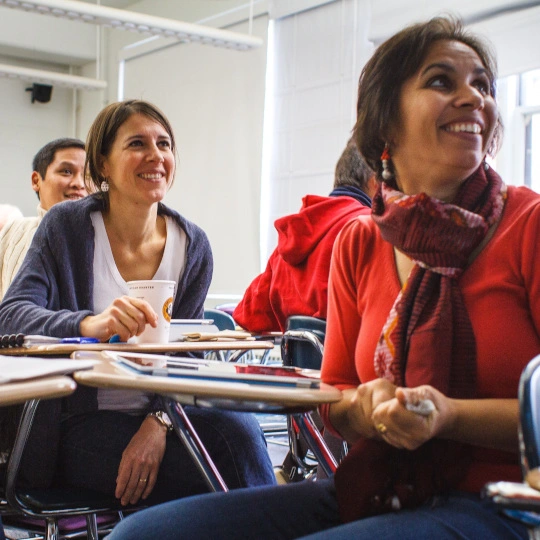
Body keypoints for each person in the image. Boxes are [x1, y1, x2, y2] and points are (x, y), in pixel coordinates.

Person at [106, 17, 539, 540]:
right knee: (142, 535)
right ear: (385, 127)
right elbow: (337, 402)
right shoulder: (359, 242)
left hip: (507, 503)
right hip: (379, 488)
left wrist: (447, 416)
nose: (474, 97)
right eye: (442, 81)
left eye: (483, 85)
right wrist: (367, 409)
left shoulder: (527, 225)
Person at [0, 100, 275, 506]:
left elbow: (183, 354)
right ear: (104, 165)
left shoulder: (191, 244)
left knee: (242, 432)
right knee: (204, 480)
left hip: (164, 413)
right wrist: (88, 323)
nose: (156, 155)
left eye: (164, 143)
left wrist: (157, 423)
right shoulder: (67, 227)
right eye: (136, 144)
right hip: (77, 420)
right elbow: (11, 314)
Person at [233, 139, 374, 333]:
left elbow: (247, 314)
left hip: (296, 363)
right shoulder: (372, 230)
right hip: (352, 362)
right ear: (375, 182)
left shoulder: (293, 235)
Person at [0, 138, 87, 300]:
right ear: (36, 180)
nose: (79, 183)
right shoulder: (13, 231)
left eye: (88, 174)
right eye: (67, 171)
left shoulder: (105, 238)